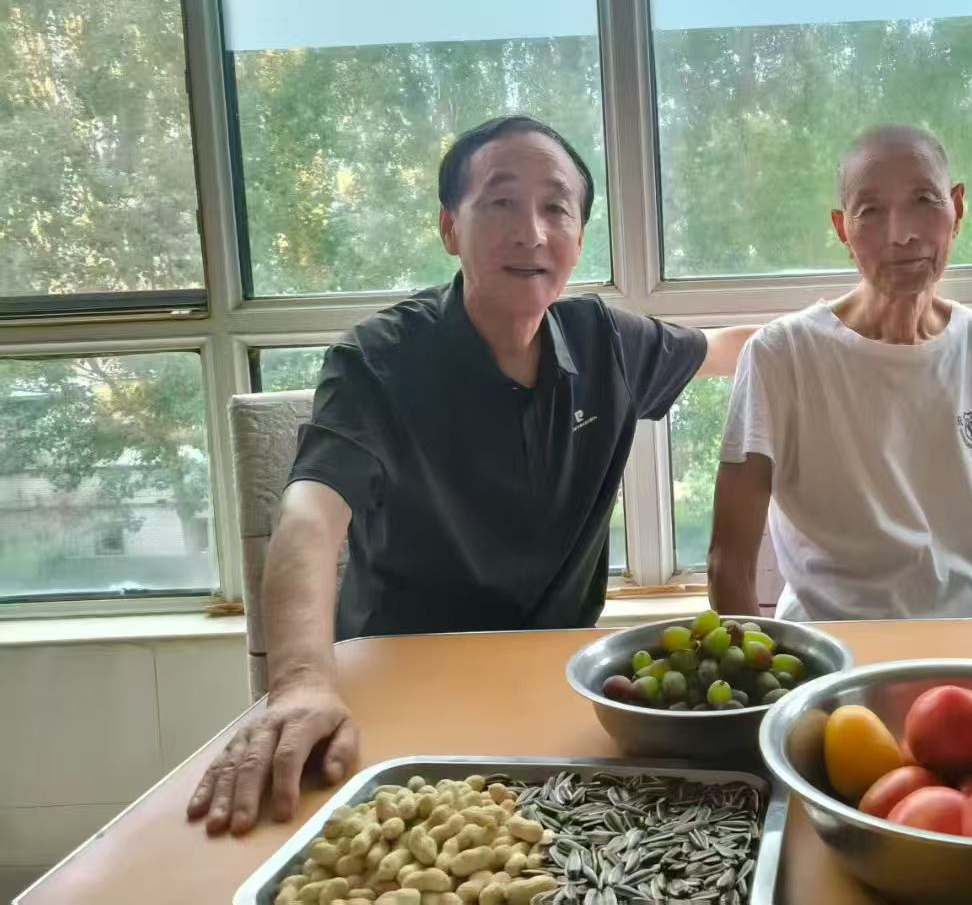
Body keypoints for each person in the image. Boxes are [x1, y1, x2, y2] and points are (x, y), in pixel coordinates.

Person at [189, 115, 755, 835]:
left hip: (551, 683)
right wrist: (300, 682)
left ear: (579, 236)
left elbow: (736, 349)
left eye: (556, 208)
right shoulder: (380, 359)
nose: (531, 232)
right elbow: (309, 517)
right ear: (449, 227)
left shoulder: (605, 341)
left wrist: (864, 316)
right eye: (500, 202)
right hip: (404, 680)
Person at [707, 124, 972, 623]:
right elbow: (728, 563)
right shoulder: (781, 356)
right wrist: (761, 671)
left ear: (957, 209)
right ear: (842, 229)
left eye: (924, 200)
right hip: (844, 647)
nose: (902, 234)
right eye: (871, 211)